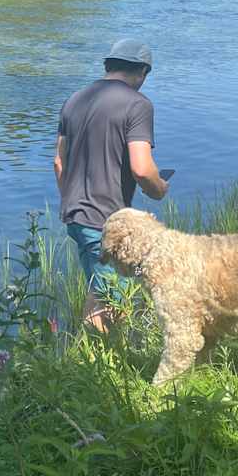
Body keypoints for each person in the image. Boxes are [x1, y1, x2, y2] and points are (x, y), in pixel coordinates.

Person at [54, 38, 169, 333]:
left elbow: (58, 163)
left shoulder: (75, 99)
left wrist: (72, 201)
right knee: (115, 305)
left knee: (98, 290)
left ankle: (80, 356)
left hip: (75, 215)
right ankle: (101, 367)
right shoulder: (138, 104)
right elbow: (142, 169)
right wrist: (158, 189)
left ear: (108, 65)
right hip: (104, 221)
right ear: (142, 71)